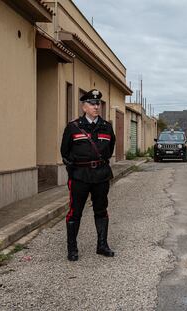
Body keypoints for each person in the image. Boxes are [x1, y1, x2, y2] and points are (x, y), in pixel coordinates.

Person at [60, 89, 116, 261]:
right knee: (75, 212)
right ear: (84, 107)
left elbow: (110, 148)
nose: (96, 106)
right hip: (80, 176)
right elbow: (65, 152)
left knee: (101, 210)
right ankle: (72, 248)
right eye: (92, 103)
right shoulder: (73, 127)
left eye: (98, 103)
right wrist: (74, 170)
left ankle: (102, 245)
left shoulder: (107, 127)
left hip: (100, 176)